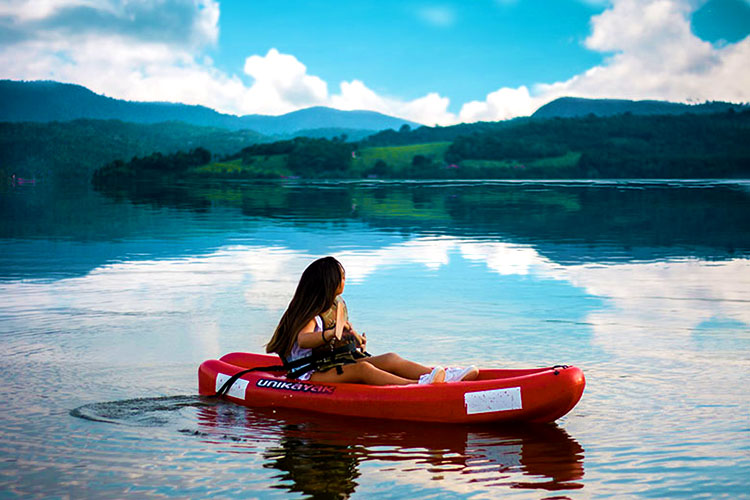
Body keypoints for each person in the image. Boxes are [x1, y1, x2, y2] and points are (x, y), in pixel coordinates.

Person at [266, 256, 478, 385]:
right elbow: (304, 340)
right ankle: (416, 385)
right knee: (364, 370)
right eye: (342, 277)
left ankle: (442, 376)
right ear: (330, 283)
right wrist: (330, 334)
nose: (344, 281)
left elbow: (342, 336)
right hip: (308, 374)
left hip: (331, 364)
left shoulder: (332, 307)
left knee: (390, 359)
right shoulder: (309, 315)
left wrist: (355, 342)